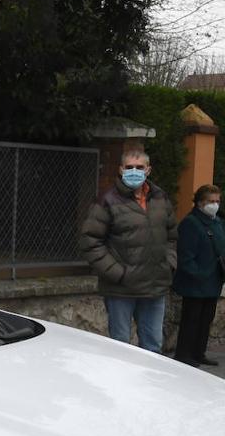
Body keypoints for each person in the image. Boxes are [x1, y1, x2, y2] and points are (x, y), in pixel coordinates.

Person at [79, 149, 177, 353]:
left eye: (139, 167)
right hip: (121, 290)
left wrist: (169, 264)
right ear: (121, 169)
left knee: (153, 347)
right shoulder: (107, 200)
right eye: (129, 167)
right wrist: (118, 273)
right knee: (120, 348)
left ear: (148, 170)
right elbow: (90, 241)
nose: (134, 171)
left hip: (155, 286)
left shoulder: (160, 198)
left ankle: (149, 386)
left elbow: (172, 237)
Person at [172, 184, 224, 367]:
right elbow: (186, 256)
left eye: (217, 201)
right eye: (211, 201)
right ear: (201, 202)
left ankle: (198, 352)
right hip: (195, 283)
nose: (215, 205)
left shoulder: (217, 222)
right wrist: (199, 274)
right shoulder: (191, 223)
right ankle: (184, 354)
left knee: (205, 320)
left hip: (213, 281)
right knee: (191, 320)